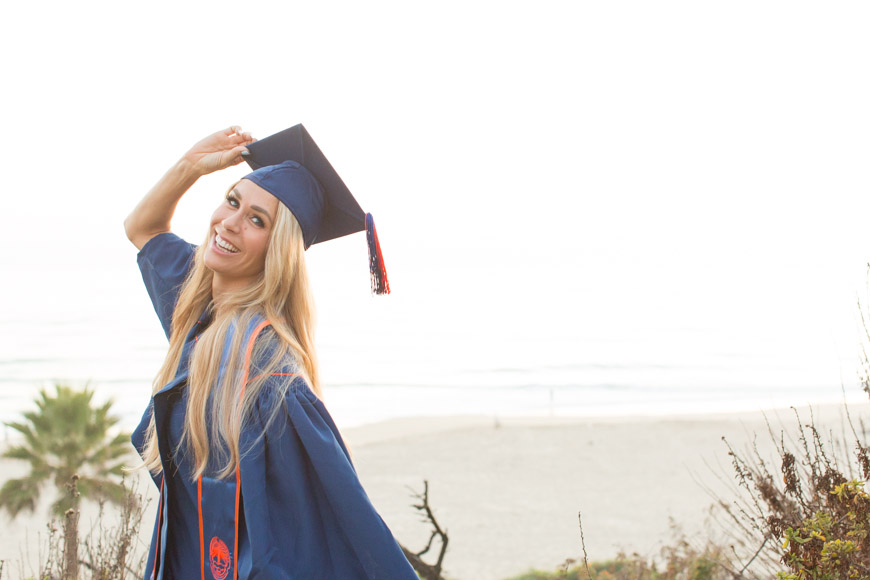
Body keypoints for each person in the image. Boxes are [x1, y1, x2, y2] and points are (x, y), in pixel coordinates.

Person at [124, 125, 415, 580]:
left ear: (276, 253)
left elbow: (326, 529)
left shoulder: (270, 377)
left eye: (257, 221)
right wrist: (191, 165)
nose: (229, 223)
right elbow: (141, 227)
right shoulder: (197, 304)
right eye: (232, 201)